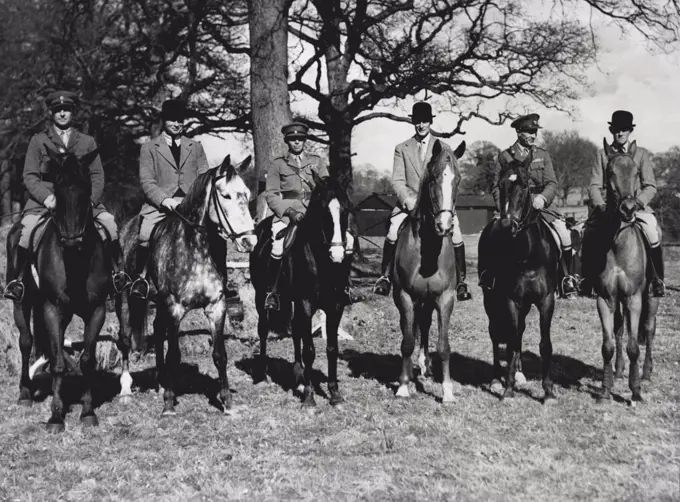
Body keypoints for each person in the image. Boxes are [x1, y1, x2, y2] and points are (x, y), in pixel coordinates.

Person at [3, 90, 126, 301]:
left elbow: (97, 176)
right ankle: (18, 281)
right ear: (51, 113)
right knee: (26, 232)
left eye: (66, 110)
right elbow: (30, 176)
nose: (62, 114)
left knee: (110, 226)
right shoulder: (38, 141)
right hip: (46, 202)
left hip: (81, 203)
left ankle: (117, 275)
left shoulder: (87, 142)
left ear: (73, 112)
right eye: (58, 110)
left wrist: (91, 201)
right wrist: (46, 198)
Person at [372, 102, 472, 301]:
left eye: (425, 121)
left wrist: (445, 205)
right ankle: (385, 277)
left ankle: (461, 281)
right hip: (409, 202)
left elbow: (448, 180)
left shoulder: (444, 148)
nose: (421, 125)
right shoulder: (402, 148)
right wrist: (408, 200)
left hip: (438, 205)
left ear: (430, 122)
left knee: (457, 231)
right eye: (417, 121)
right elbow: (398, 180)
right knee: (393, 228)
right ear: (413, 122)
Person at [478, 113, 578, 296]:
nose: (533, 135)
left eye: (535, 132)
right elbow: (496, 187)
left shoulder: (542, 155)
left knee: (564, 234)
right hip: (514, 208)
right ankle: (489, 275)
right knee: (493, 236)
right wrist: (504, 208)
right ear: (518, 132)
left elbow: (552, 183)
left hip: (542, 207)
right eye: (529, 131)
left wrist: (543, 198)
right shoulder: (505, 156)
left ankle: (566, 278)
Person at [263, 122, 355, 311]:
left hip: (316, 214)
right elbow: (271, 194)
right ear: (287, 141)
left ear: (304, 141)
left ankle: (344, 287)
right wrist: (289, 212)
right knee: (278, 244)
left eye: (300, 139)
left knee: (345, 241)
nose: (297, 142)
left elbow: (328, 188)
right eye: (292, 139)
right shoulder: (277, 164)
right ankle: (272, 291)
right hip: (288, 213)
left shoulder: (316, 161)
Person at [129, 99, 211, 299]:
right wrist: (165, 200)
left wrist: (196, 200)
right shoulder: (149, 148)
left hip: (191, 206)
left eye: (180, 120)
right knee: (145, 235)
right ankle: (140, 279)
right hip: (160, 206)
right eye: (172, 120)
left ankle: (221, 281)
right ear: (164, 121)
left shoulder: (196, 146)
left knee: (215, 233)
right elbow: (147, 182)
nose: (177, 124)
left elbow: (205, 176)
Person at [579, 110, 665, 297]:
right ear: (611, 130)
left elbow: (650, 186)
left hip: (636, 207)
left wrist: (638, 203)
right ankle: (586, 279)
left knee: (652, 231)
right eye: (617, 130)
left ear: (629, 131)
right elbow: (594, 185)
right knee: (588, 232)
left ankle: (657, 280)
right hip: (608, 209)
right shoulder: (602, 154)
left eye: (624, 130)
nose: (620, 133)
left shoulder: (641, 154)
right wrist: (600, 205)